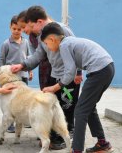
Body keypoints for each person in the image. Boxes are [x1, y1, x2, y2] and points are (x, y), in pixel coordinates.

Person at [11, 5, 80, 150]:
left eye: (30, 26)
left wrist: (78, 73)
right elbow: (38, 55)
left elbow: (76, 50)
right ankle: (54, 136)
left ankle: (65, 137)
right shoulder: (42, 35)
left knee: (67, 106)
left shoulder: (62, 29)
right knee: (56, 105)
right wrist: (23, 65)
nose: (29, 30)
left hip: (69, 77)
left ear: (40, 21)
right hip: (56, 76)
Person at [40, 22, 115, 153]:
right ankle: (102, 144)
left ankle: (76, 149)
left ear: (52, 39)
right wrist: (78, 73)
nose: (47, 47)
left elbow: (69, 71)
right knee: (89, 107)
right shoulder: (70, 41)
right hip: (108, 67)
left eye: (46, 43)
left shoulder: (64, 46)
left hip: (99, 71)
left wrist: (54, 87)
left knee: (80, 111)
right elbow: (78, 59)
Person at [0, 15, 32, 133]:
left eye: (19, 29)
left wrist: (30, 71)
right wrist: (0, 76)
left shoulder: (26, 42)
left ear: (22, 29)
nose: (16, 31)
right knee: (11, 100)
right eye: (14, 29)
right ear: (10, 28)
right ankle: (10, 124)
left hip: (23, 76)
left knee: (23, 100)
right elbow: (1, 60)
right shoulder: (6, 44)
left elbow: (28, 57)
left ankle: (23, 121)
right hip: (10, 79)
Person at [17, 10, 51, 90]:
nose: (23, 30)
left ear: (30, 22)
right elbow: (35, 56)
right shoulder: (32, 38)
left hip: (58, 71)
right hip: (44, 71)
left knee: (65, 99)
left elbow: (72, 51)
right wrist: (24, 66)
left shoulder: (56, 30)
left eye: (23, 27)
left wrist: (78, 72)